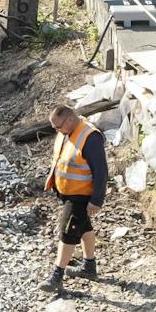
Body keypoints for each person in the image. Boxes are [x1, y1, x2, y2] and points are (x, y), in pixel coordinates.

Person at [42, 103, 107, 294]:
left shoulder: (90, 137)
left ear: (69, 119)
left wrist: (96, 200)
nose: (57, 131)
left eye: (58, 127)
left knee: (68, 232)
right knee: (84, 228)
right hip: (68, 193)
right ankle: (89, 266)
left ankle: (57, 275)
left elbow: (101, 171)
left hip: (80, 195)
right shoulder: (67, 132)